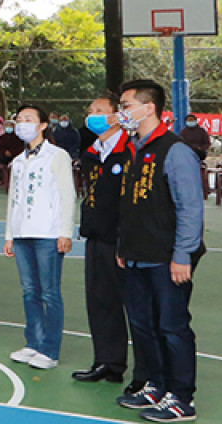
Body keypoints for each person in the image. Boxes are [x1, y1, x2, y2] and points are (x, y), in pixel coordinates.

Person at [115, 80, 205, 423]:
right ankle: (155, 384)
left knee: (172, 326)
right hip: (136, 254)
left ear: (148, 107)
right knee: (142, 324)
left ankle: (182, 397)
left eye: (126, 105)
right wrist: (124, 245)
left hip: (167, 258)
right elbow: (130, 204)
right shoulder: (133, 148)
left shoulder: (175, 150)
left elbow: (190, 208)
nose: (122, 112)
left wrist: (183, 254)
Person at [73, 93, 142, 388]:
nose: (94, 115)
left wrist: (126, 239)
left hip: (124, 240)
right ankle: (108, 362)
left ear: (118, 116)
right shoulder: (91, 152)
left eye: (101, 111)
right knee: (101, 302)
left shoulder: (131, 150)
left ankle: (145, 376)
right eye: (90, 110)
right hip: (96, 236)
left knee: (136, 308)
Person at [3, 104, 76, 370]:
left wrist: (65, 232)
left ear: (43, 125)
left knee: (49, 292)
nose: (22, 123)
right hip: (23, 233)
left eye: (28, 119)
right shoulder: (19, 160)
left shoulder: (57, 156)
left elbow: (68, 195)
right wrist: (10, 235)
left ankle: (50, 349)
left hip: (47, 233)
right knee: (29, 291)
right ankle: (33, 342)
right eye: (19, 119)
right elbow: (13, 199)